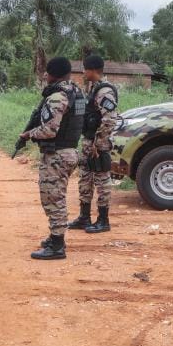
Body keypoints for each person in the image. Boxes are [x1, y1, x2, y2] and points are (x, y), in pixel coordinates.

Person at [19, 56, 86, 260]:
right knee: (58, 196)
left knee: (52, 198)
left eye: (47, 72)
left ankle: (57, 245)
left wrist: (29, 134)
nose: (45, 75)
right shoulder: (77, 91)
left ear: (53, 74)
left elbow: (49, 130)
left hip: (57, 155)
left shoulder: (57, 96)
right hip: (70, 152)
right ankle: (55, 236)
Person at [68, 54, 119, 233]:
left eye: (85, 69)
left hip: (99, 145)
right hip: (89, 142)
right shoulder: (94, 88)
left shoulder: (105, 91)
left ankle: (103, 220)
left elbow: (110, 119)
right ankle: (84, 217)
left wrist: (99, 141)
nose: (83, 72)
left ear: (92, 70)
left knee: (101, 181)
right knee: (85, 178)